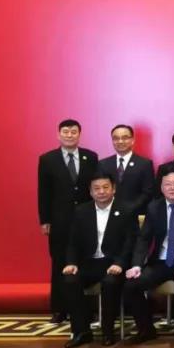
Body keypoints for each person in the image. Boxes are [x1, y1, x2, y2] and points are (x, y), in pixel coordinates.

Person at [124, 168, 174, 345]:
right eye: (168, 184)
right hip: (160, 262)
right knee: (131, 285)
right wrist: (137, 265)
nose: (172, 188)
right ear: (161, 187)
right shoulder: (154, 207)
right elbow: (144, 239)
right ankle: (146, 329)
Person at [61, 172, 136, 347]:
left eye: (105, 187)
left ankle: (107, 331)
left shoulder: (126, 210)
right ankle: (81, 331)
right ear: (90, 191)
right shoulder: (81, 211)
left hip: (114, 263)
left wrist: (120, 263)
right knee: (70, 280)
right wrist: (71, 263)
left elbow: (130, 242)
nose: (101, 192)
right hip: (89, 262)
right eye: (96, 188)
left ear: (113, 189)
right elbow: (72, 242)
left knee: (110, 282)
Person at [38, 119, 99, 324]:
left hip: (86, 220)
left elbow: (95, 188)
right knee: (59, 264)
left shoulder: (91, 157)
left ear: (79, 134)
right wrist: (45, 220)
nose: (70, 135)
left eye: (74, 132)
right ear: (59, 134)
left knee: (85, 262)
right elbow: (44, 192)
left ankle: (86, 309)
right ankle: (59, 309)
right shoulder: (48, 159)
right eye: (66, 132)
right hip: (59, 221)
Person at [99, 124, 155, 214]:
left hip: (135, 213)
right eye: (116, 138)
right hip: (109, 213)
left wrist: (131, 207)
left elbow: (148, 192)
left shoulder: (145, 164)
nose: (120, 141)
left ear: (132, 140)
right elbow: (100, 189)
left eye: (125, 138)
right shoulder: (103, 164)